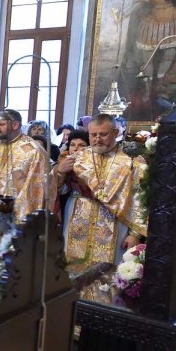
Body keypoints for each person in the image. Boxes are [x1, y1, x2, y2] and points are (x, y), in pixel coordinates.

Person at [55, 114, 147, 301]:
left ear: (115, 132)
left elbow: (141, 199)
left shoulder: (130, 162)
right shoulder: (76, 158)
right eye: (93, 134)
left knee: (108, 274)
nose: (97, 139)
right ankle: (71, 311)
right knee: (72, 268)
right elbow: (58, 189)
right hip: (77, 220)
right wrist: (59, 172)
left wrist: (135, 234)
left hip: (114, 223)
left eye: (103, 134)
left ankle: (104, 313)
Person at [0, 109, 49, 277]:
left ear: (15, 124)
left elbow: (37, 188)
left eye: (2, 125)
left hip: (14, 219)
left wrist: (21, 219)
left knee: (8, 269)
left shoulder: (33, 150)